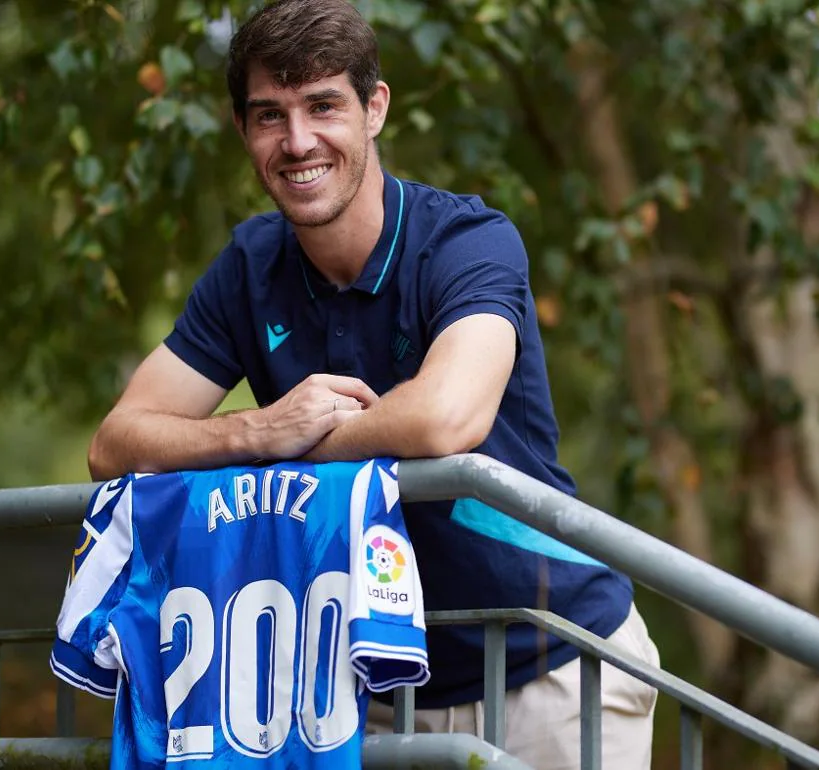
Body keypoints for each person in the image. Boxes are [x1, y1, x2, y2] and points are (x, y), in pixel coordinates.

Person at [86, 1, 659, 767]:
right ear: (243, 130)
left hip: (548, 662)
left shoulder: (466, 241)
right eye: (269, 116)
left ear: (375, 108)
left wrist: (301, 447)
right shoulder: (249, 268)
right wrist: (255, 431)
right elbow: (114, 445)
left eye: (323, 106)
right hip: (379, 685)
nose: (297, 142)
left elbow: (445, 418)